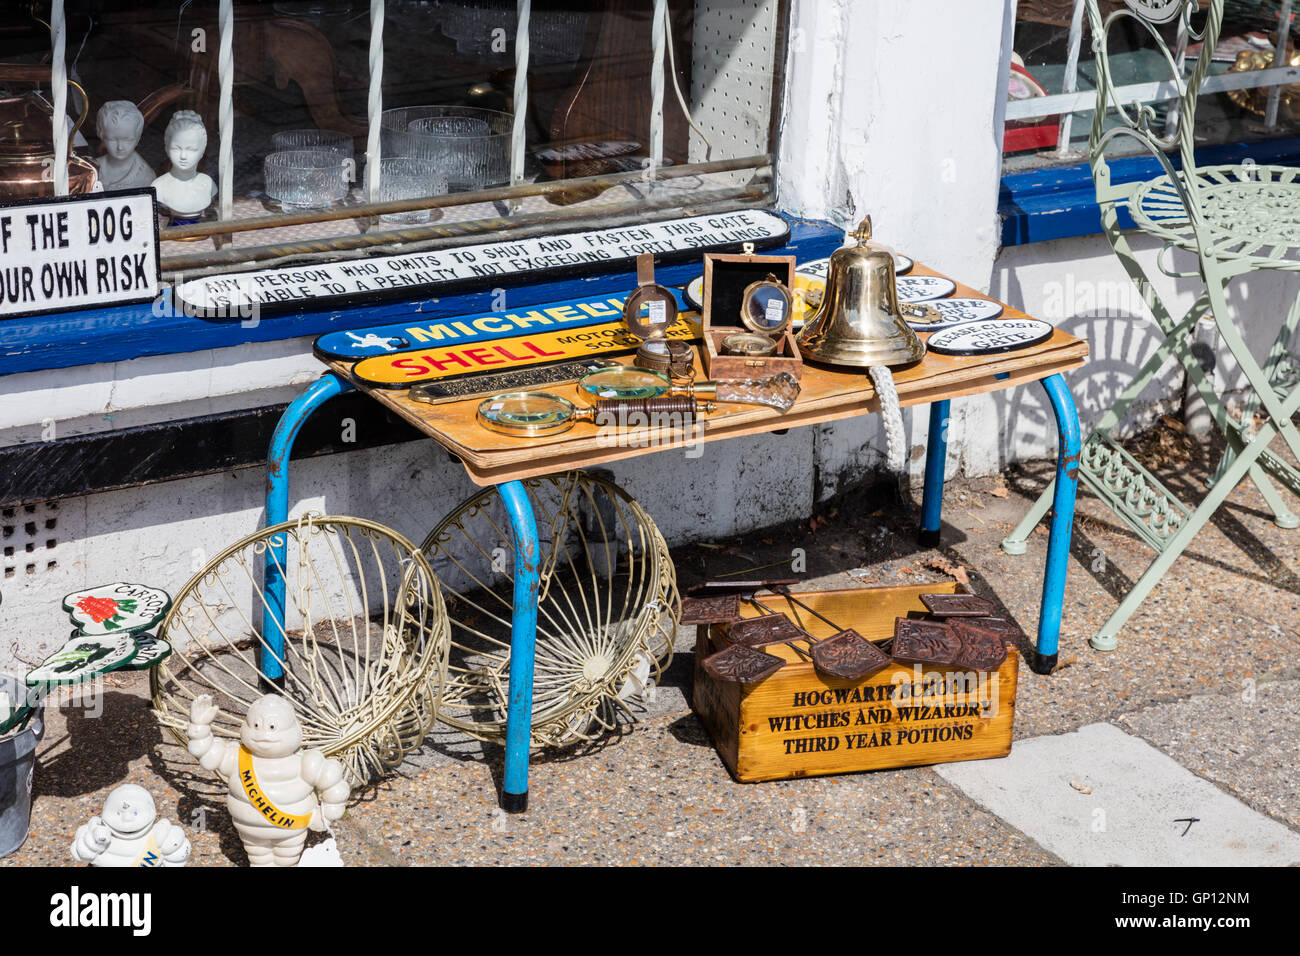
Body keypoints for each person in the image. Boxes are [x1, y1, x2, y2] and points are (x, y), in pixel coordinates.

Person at [151, 110, 215, 217]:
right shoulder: (159, 187)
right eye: (176, 149)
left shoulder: (209, 185)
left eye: (191, 150)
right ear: (167, 148)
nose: (183, 156)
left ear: (202, 151)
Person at [94, 101, 155, 192]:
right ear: (102, 136)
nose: (120, 147)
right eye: (112, 140)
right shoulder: (93, 169)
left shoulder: (146, 176)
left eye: (127, 140)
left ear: (138, 138)